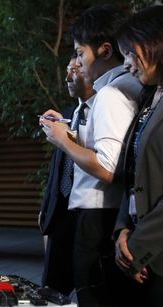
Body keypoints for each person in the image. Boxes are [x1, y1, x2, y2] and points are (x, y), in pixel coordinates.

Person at [40, 5, 142, 307]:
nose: (78, 63)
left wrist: (62, 141)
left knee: (93, 296)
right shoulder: (128, 87)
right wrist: (71, 132)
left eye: (80, 53)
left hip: (97, 218)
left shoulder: (111, 95)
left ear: (105, 50)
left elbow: (108, 167)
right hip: (108, 216)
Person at [114, 6, 163, 306]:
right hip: (141, 247)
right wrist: (122, 229)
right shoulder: (150, 97)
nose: (127, 65)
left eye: (129, 53)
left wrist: (137, 246)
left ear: (154, 43)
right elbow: (133, 172)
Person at [39, 54, 95, 296]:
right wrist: (46, 208)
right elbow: (58, 167)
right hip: (61, 211)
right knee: (51, 290)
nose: (67, 77)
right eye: (67, 70)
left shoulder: (104, 112)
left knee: (87, 289)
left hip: (89, 214)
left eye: (74, 70)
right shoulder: (69, 113)